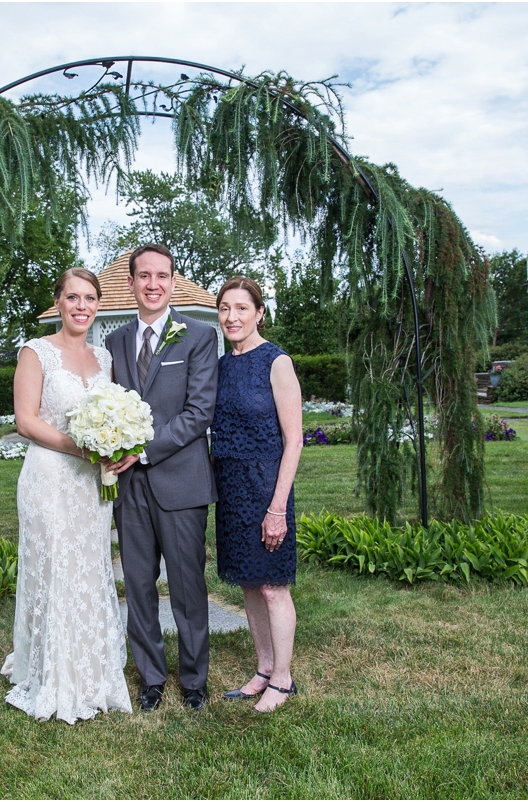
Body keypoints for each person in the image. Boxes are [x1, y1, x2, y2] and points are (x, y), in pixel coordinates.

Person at [2, 267, 132, 724]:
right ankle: (51, 673)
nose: (82, 306)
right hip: (50, 476)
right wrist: (82, 447)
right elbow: (26, 421)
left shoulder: (105, 358)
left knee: (88, 565)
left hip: (91, 484)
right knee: (54, 566)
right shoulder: (35, 353)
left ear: (98, 305)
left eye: (90, 298)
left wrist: (114, 445)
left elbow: (114, 415)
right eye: (73, 297)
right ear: (58, 302)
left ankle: (90, 672)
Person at [103, 244, 219, 711]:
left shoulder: (198, 336)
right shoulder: (114, 342)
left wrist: (142, 453)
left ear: (172, 281)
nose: (153, 284)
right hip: (129, 489)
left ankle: (194, 680)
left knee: (188, 586)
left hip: (181, 482)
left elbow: (198, 412)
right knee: (138, 584)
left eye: (162, 276)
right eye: (144, 276)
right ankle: (150, 677)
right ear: (130, 283)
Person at [211, 276, 303, 714]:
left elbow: (295, 439)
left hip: (267, 486)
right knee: (249, 583)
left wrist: (278, 507)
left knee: (272, 586)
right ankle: (264, 669)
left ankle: (283, 680)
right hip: (230, 487)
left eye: (242, 308)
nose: (232, 316)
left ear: (259, 313)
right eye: (225, 308)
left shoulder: (276, 361)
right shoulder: (223, 364)